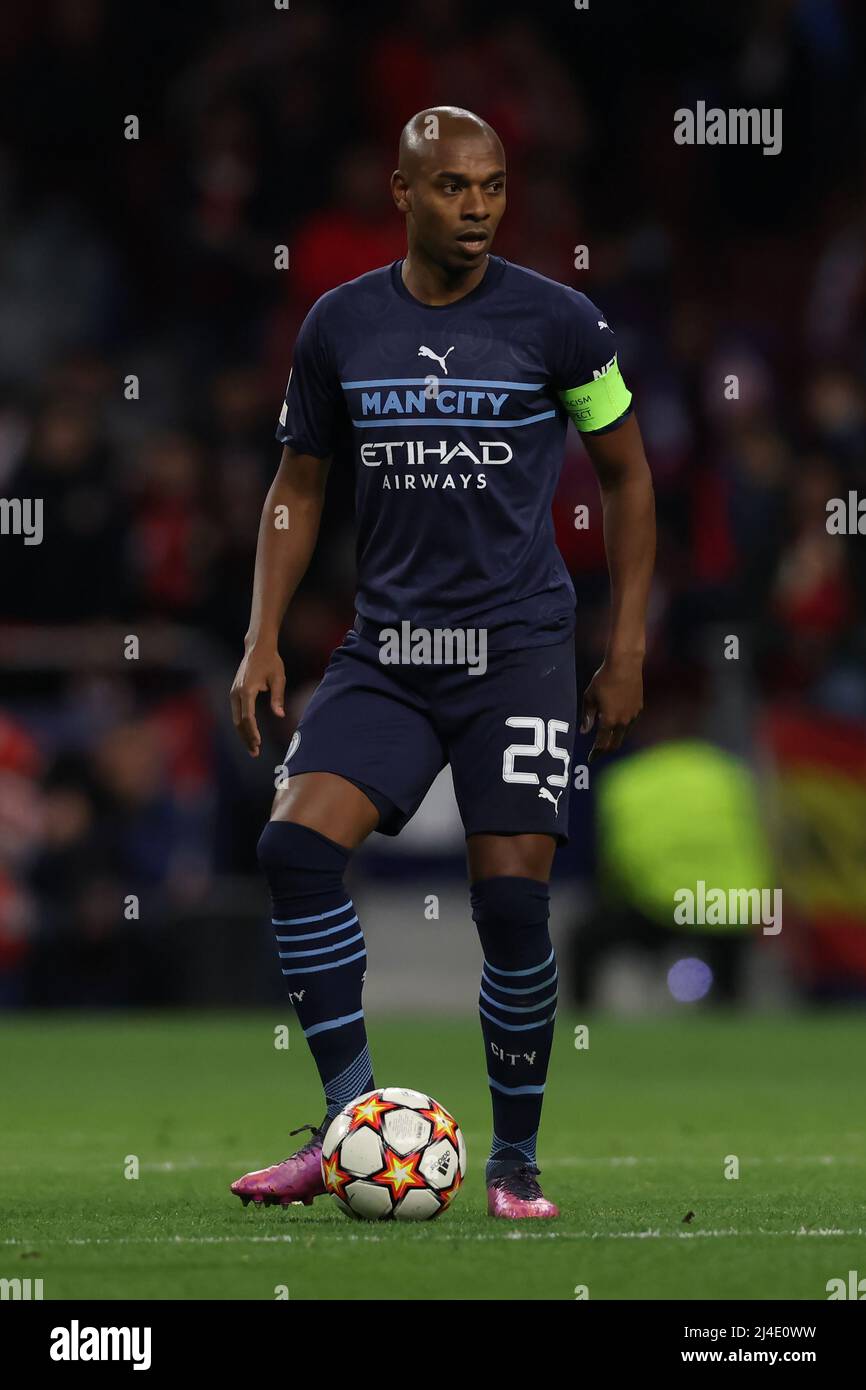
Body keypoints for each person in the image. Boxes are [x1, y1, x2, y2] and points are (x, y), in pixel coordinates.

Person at [229, 106, 655, 1219]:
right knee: (291, 847)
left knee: (511, 905)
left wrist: (624, 644)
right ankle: (347, 1129)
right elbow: (299, 486)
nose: (477, 208)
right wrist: (261, 632)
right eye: (454, 188)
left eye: (493, 186)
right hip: (390, 648)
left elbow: (628, 477)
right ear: (402, 195)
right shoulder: (338, 326)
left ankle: (513, 1167)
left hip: (516, 650)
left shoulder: (558, 323)